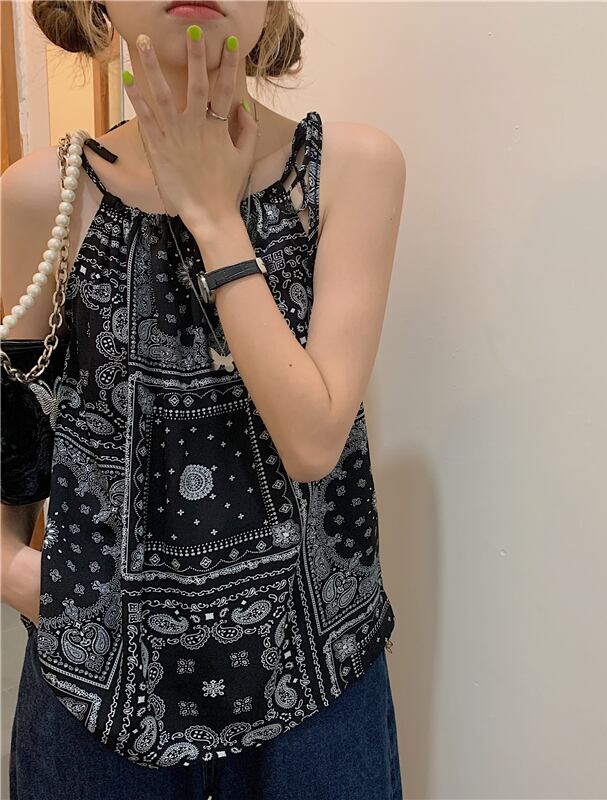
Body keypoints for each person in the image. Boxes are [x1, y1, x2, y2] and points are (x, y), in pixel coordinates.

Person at [0, 1, 406, 797]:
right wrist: (14, 570)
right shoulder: (41, 194)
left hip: (318, 685)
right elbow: (12, 430)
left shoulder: (353, 169)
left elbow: (313, 442)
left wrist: (214, 216)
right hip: (97, 699)